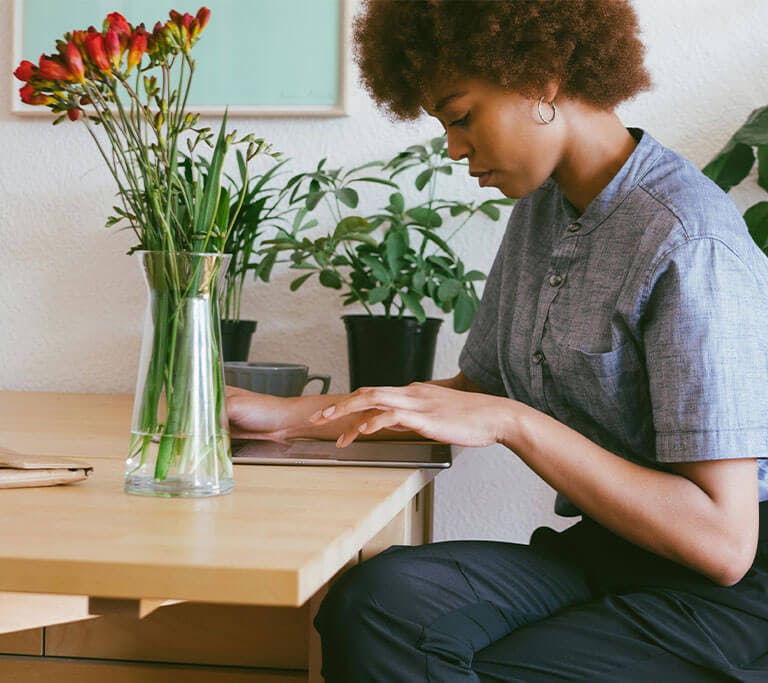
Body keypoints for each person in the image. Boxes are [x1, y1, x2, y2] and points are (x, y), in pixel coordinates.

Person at [227, 1, 768, 680]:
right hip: (609, 555)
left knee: (474, 663)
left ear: (541, 79)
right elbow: (471, 394)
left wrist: (516, 422)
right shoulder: (543, 211)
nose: (453, 147)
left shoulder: (689, 240)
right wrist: (278, 418)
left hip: (728, 596)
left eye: (460, 115)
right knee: (377, 604)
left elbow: (725, 542)